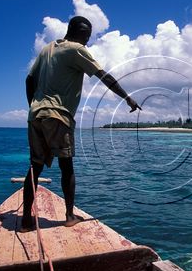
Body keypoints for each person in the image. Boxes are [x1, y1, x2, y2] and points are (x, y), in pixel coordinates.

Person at [20, 16, 141, 232]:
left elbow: (29, 80)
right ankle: (68, 216)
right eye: (87, 36)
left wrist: (33, 105)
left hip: (35, 115)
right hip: (58, 115)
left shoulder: (47, 49)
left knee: (35, 168)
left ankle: (26, 220)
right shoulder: (77, 49)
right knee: (67, 167)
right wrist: (127, 97)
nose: (87, 41)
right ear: (81, 32)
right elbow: (103, 75)